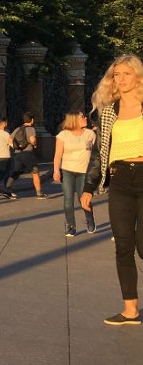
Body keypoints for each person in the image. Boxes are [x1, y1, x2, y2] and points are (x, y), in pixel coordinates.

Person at [81, 55, 143, 326]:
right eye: (116, 74)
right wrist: (88, 187)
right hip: (119, 181)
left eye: (126, 74)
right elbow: (99, 153)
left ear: (138, 76)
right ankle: (130, 310)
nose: (120, 79)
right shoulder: (109, 112)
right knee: (123, 247)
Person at [53, 111, 97, 237]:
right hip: (67, 170)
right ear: (74, 120)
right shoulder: (63, 135)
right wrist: (56, 170)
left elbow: (96, 154)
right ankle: (71, 225)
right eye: (82, 117)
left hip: (84, 171)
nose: (85, 118)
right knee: (68, 198)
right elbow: (57, 155)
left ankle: (90, 219)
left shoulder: (90, 134)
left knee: (83, 198)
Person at [3, 112, 47, 200]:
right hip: (27, 153)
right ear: (32, 120)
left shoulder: (18, 128)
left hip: (17, 153)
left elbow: (9, 140)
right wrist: (34, 143)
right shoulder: (30, 128)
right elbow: (32, 140)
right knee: (35, 171)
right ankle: (39, 193)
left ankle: (7, 189)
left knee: (16, 172)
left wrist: (16, 147)